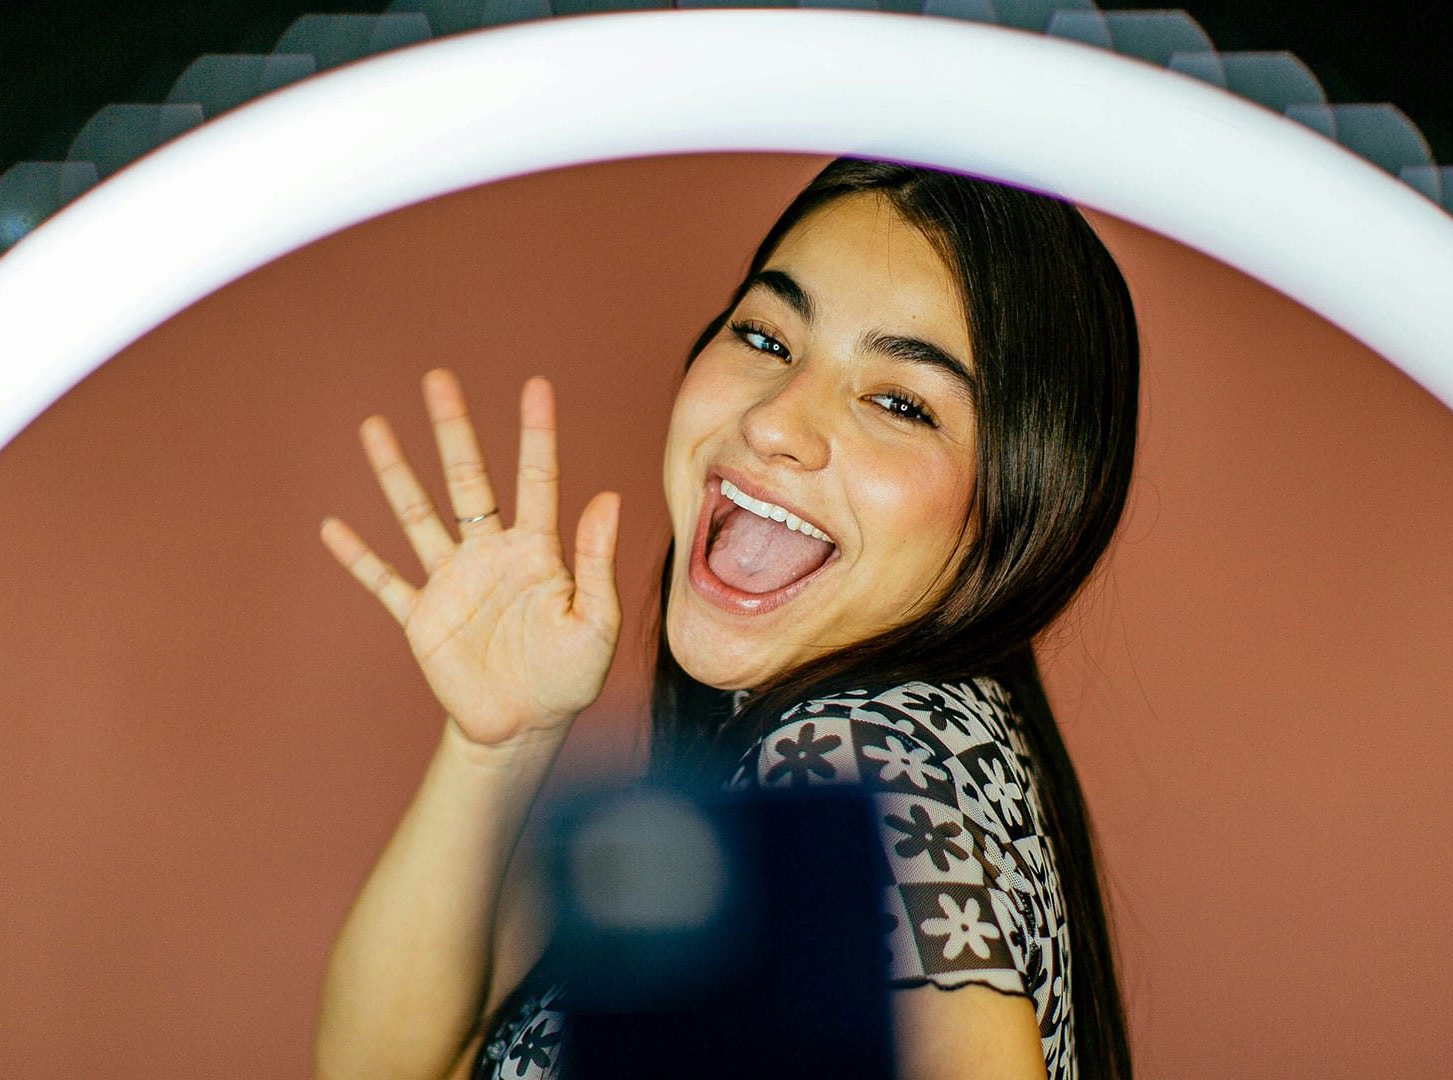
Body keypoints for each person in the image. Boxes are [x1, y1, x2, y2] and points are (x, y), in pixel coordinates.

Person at [313, 157, 1138, 1080]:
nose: (775, 420)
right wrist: (496, 745)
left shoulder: (852, 755)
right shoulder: (918, 736)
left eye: (900, 402)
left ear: (1031, 504)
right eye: (766, 337)